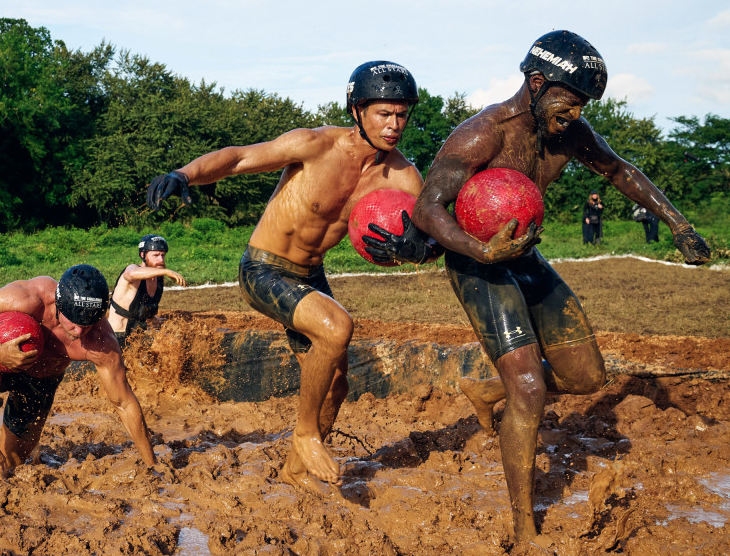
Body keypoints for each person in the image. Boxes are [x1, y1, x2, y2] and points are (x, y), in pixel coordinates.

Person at [411, 31, 711, 542]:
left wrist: (679, 225)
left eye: (582, 106)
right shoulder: (481, 133)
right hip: (479, 264)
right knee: (528, 389)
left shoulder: (569, 133)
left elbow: (620, 171)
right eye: (569, 102)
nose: (574, 114)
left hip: (525, 257)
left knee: (589, 376)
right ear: (536, 83)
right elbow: (425, 209)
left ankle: (485, 392)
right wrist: (483, 251)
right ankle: (525, 530)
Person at [147, 61, 440, 492]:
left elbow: (432, 233)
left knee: (338, 385)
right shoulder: (316, 145)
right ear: (356, 109)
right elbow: (239, 157)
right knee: (338, 326)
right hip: (262, 268)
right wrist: (185, 173)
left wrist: (419, 250)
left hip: (309, 275)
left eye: (402, 115)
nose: (395, 125)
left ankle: (296, 471)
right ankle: (305, 435)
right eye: (384, 113)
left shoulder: (402, 175)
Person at [0, 265, 157, 478]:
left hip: (39, 383)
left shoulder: (101, 343)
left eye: (87, 323)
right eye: (73, 321)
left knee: (11, 465)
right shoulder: (29, 299)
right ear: (58, 305)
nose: (79, 331)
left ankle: (0, 454)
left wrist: (152, 465)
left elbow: (124, 403)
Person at [108, 234, 186, 348]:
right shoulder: (133, 269)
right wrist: (167, 272)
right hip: (116, 337)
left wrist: (155, 319)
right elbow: (130, 274)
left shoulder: (158, 278)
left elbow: (142, 307)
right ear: (142, 255)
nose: (161, 260)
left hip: (137, 337)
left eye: (163, 255)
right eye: (156, 255)